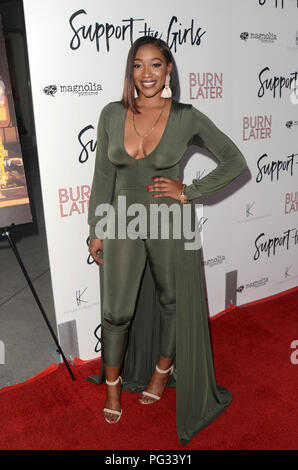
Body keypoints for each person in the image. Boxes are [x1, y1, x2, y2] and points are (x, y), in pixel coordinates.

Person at [87, 36, 248, 446]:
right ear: (130, 70)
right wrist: (95, 228)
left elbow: (235, 160)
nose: (147, 74)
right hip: (123, 218)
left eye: (156, 65)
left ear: (169, 69)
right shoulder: (111, 113)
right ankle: (112, 385)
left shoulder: (186, 116)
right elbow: (104, 178)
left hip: (171, 220)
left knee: (172, 300)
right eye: (138, 65)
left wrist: (189, 191)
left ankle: (162, 371)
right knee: (116, 309)